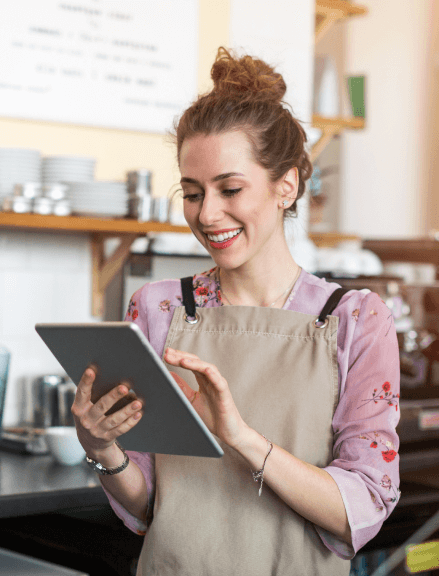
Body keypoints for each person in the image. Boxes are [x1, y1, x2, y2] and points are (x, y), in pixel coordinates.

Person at [71, 47, 400, 575]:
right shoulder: (157, 307)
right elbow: (149, 507)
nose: (207, 214)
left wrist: (240, 436)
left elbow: (360, 508)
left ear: (286, 185)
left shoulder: (355, 320)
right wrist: (101, 447)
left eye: (230, 189)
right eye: (194, 192)